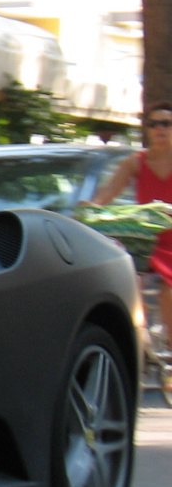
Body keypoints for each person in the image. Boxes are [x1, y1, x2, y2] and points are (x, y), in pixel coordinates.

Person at [84, 101, 172, 322]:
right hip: (147, 241)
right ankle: (141, 347)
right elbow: (107, 193)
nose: (159, 129)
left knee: (168, 293)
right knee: (131, 288)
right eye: (153, 124)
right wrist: (91, 208)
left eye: (166, 123)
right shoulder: (135, 163)